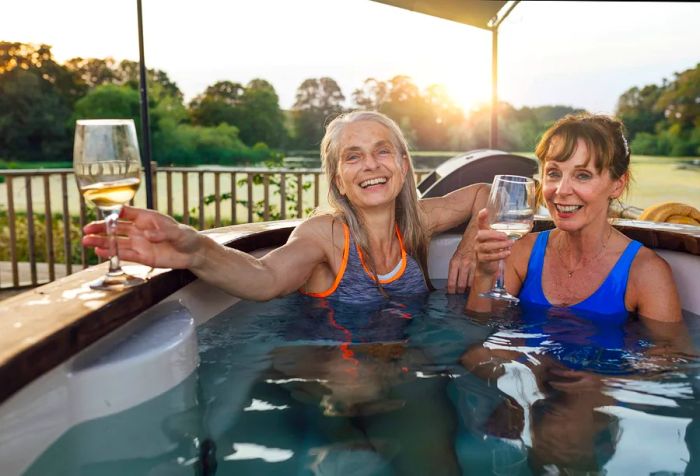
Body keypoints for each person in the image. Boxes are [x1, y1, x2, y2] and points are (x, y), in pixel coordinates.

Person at [83, 110, 489, 301]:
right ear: (339, 182)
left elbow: (485, 192)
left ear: (403, 164)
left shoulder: (416, 221)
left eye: (383, 152)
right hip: (338, 380)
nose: (370, 165)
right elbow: (265, 277)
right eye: (353, 156)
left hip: (405, 366)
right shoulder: (326, 236)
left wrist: (471, 245)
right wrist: (195, 250)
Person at [467, 113, 682, 322]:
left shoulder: (647, 274)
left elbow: (666, 356)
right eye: (553, 173)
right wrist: (484, 273)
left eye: (582, 175)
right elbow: (482, 335)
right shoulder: (521, 252)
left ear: (617, 184)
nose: (561, 190)